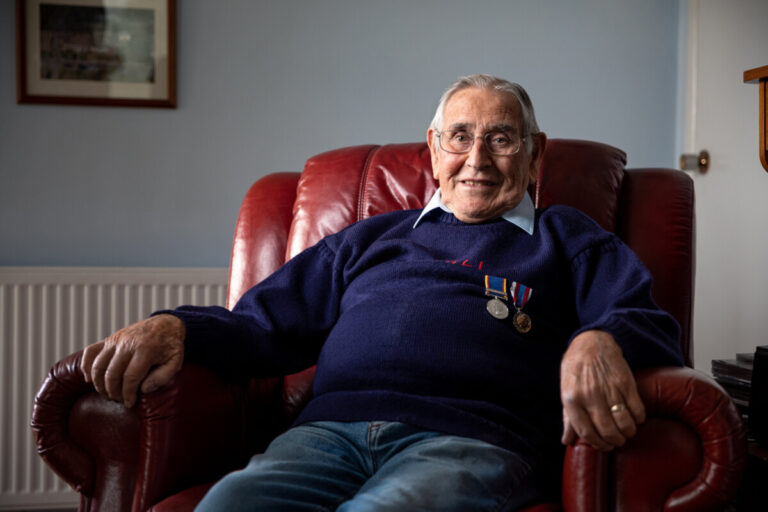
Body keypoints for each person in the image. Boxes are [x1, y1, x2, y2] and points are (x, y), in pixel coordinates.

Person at [80, 74, 683, 511]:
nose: (478, 159)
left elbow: (646, 318)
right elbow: (259, 327)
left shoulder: (567, 237)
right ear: (433, 148)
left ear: (534, 154)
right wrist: (175, 327)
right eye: (460, 137)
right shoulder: (367, 239)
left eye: (501, 139)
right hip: (324, 437)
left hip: (469, 441)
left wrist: (601, 337)